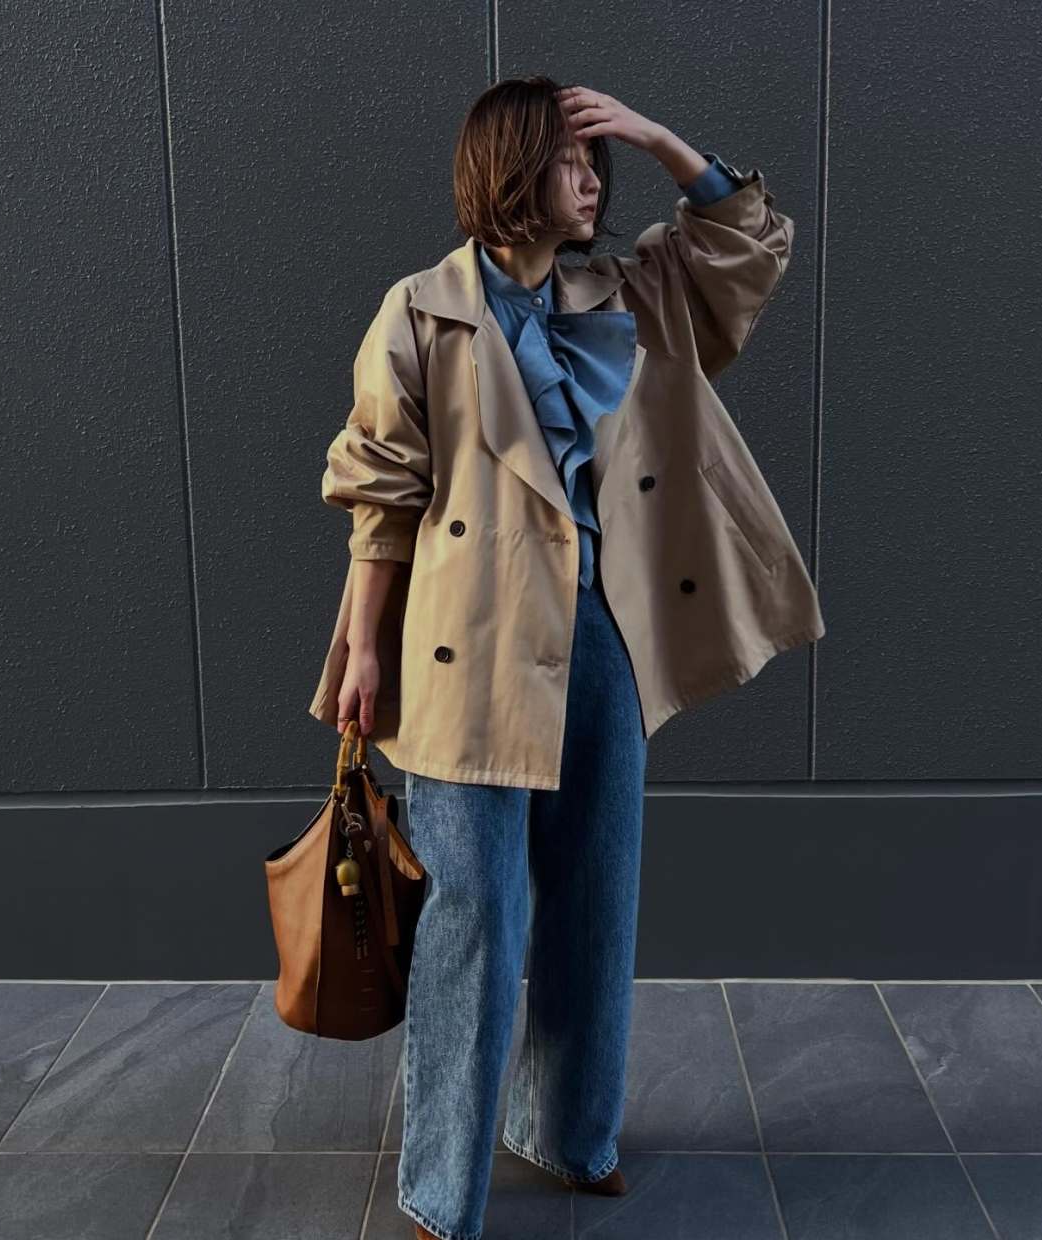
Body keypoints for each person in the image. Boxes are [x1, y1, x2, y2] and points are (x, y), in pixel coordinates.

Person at [314, 74, 817, 1240]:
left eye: (600, 163)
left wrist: (655, 134)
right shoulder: (420, 311)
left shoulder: (629, 291)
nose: (593, 181)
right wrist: (362, 648)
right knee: (475, 921)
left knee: (597, 896)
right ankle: (442, 1183)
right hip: (467, 646)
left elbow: (746, 248)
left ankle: (571, 1132)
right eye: (571, 160)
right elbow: (381, 495)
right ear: (510, 170)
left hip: (602, 634)